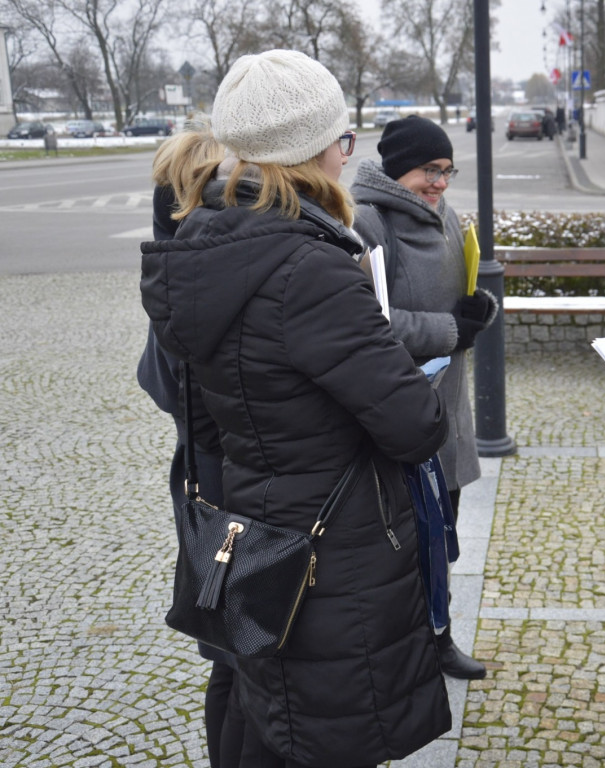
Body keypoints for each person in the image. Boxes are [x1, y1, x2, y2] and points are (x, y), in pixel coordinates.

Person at [140, 49, 451, 768]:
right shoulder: (310, 268)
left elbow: (206, 420)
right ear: (316, 150)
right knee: (326, 730)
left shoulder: (201, 252)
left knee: (267, 713)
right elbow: (416, 426)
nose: (347, 157)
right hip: (331, 554)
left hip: (254, 529)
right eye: (343, 141)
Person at [350, 114, 496, 681]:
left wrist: (478, 308)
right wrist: (452, 329)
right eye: (427, 171)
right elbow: (367, 320)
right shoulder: (366, 222)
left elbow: (459, 295)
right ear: (395, 169)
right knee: (403, 548)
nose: (439, 183)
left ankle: (440, 639)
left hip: (448, 411)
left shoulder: (447, 215)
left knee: (443, 542)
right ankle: (400, 656)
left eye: (446, 170)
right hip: (399, 413)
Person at [136, 119, 245, 768]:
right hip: (230, 496)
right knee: (240, 661)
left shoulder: (172, 282)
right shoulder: (202, 290)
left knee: (230, 661)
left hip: (202, 491)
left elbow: (152, 380)